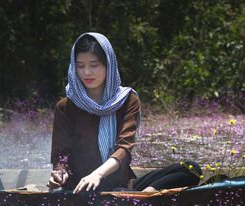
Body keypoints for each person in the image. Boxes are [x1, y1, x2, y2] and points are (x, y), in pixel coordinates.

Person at [47, 32, 201, 194]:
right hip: (81, 190)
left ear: (109, 64)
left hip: (120, 186)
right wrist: (59, 172)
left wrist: (98, 174)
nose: (87, 72)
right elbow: (61, 156)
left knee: (191, 169)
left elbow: (124, 148)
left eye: (94, 65)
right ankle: (143, 200)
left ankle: (142, 197)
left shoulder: (127, 100)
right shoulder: (65, 107)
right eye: (80, 65)